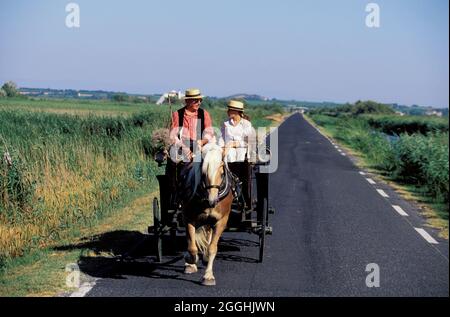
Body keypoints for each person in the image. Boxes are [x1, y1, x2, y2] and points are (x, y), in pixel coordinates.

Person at [166, 88, 214, 208]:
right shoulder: (177, 114)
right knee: (175, 160)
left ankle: (210, 189)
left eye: (199, 100)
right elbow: (173, 136)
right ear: (187, 101)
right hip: (183, 145)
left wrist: (201, 142)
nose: (198, 103)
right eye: (195, 100)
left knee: (211, 159)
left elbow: (209, 133)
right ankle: (177, 192)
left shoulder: (204, 114)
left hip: (200, 144)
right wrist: (184, 147)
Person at [220, 100, 255, 210]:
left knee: (239, 157)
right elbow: (221, 138)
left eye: (230, 109)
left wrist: (233, 144)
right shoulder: (225, 124)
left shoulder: (246, 124)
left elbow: (249, 141)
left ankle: (243, 196)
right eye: (228, 109)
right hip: (228, 152)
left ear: (236, 112)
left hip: (242, 152)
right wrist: (222, 147)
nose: (228, 111)